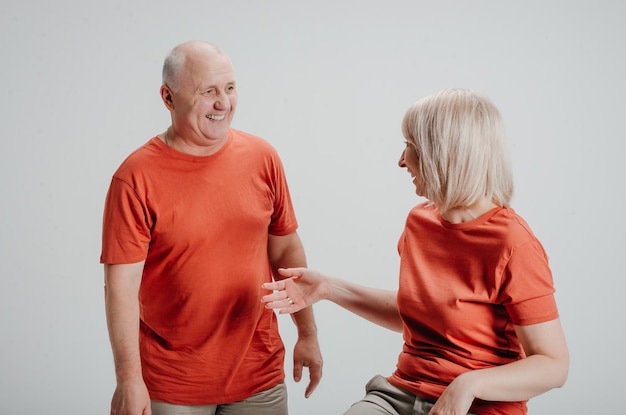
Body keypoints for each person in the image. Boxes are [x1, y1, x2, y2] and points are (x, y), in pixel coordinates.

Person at [262, 88, 569, 415]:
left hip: (478, 404)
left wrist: (468, 384)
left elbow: (553, 365)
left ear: (444, 153)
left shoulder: (514, 244)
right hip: (402, 392)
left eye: (410, 146)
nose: (400, 161)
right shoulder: (419, 222)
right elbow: (421, 314)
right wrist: (329, 288)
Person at [100, 40, 322, 415]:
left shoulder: (262, 157)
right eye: (208, 92)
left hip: (259, 370)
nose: (223, 103)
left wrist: (308, 333)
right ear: (168, 98)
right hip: (173, 380)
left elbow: (286, 251)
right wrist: (128, 381)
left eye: (230, 88)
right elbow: (121, 288)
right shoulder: (135, 177)